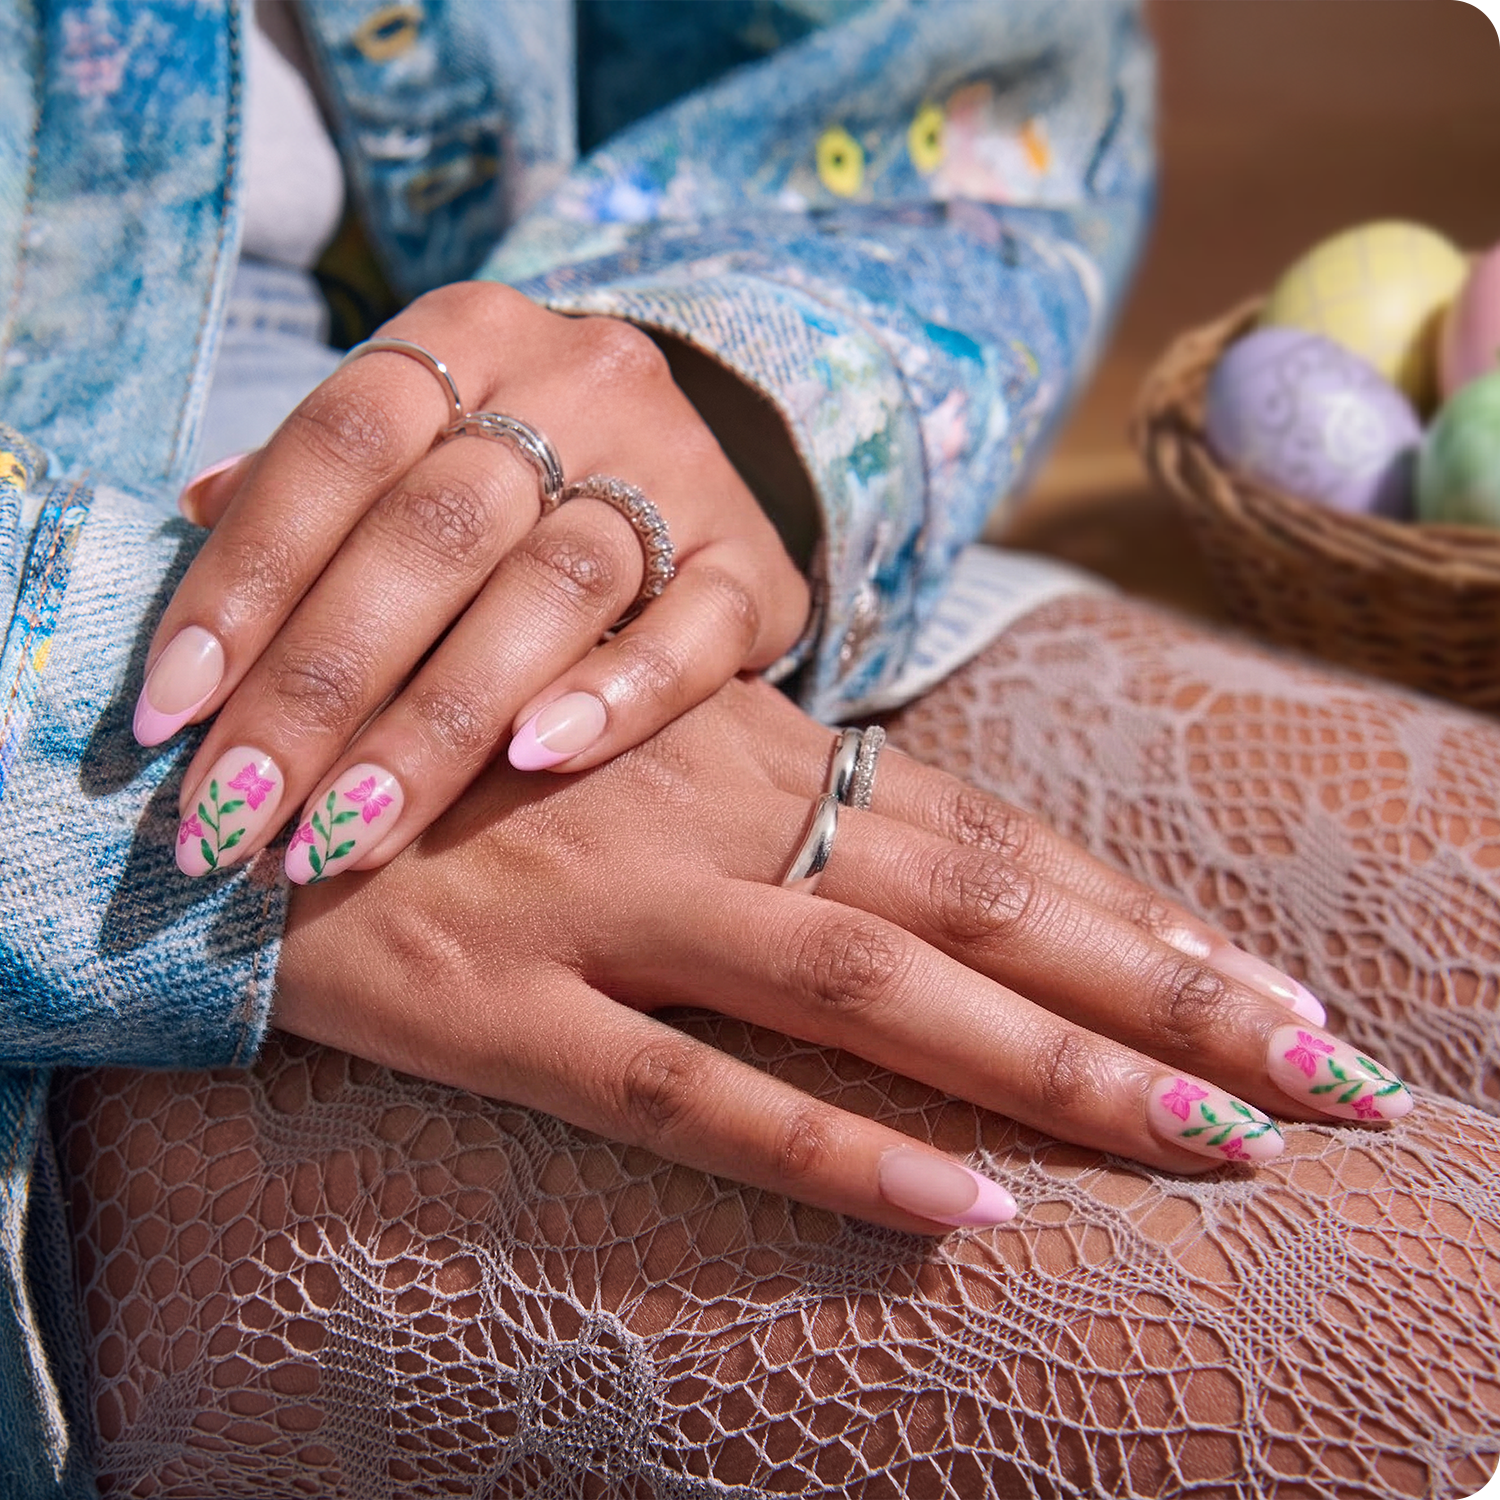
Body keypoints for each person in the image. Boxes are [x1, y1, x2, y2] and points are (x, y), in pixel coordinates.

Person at [1, 2, 1496, 1496]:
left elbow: (956, 55)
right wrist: (87, 693)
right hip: (75, 811)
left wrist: (728, 392)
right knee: (1416, 1368)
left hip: (587, 505)